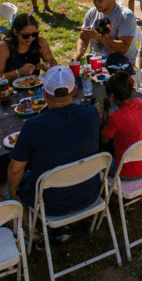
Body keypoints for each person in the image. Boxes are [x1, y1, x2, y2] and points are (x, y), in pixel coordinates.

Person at [7, 67, 101, 241]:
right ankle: (59, 228)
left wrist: (12, 191)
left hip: (51, 204)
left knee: (4, 193)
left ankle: (34, 236)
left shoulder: (33, 126)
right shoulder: (91, 113)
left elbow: (15, 169)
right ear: (74, 90)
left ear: (44, 94)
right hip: (89, 194)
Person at [100, 72, 142, 179]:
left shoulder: (115, 117)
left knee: (98, 159)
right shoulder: (141, 102)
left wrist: (103, 114)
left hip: (128, 171)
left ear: (111, 97)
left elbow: (104, 140)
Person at [76, 0, 137, 65]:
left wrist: (99, 38)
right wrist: (78, 57)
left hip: (121, 66)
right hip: (96, 63)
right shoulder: (91, 13)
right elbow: (83, 38)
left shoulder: (126, 16)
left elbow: (124, 48)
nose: (96, 2)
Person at [0, 14, 57, 85]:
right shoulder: (4, 47)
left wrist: (46, 67)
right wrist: (18, 72)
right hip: (10, 89)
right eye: (26, 35)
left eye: (34, 34)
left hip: (34, 86)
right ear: (15, 32)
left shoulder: (40, 42)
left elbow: (55, 66)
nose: (31, 38)